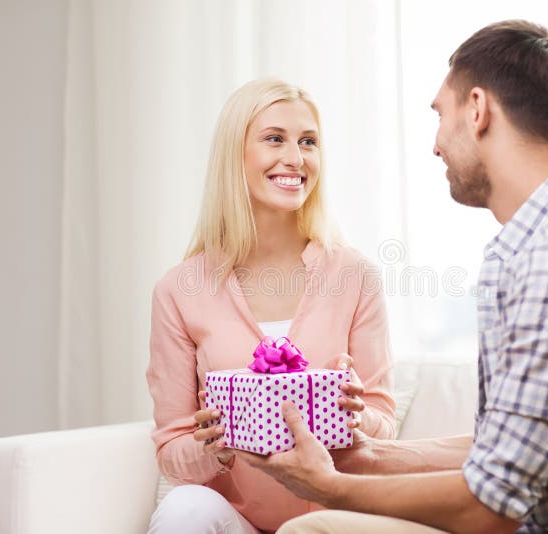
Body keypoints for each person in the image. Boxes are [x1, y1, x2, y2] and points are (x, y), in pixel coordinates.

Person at [238, 20, 548, 533]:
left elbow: (493, 505)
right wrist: (368, 456)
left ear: (476, 108)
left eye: (439, 115)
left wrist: (328, 487)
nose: (436, 145)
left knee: (313, 529)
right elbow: (505, 450)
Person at [145, 78, 397, 534]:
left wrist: (359, 417)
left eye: (308, 142)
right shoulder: (178, 290)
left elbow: (384, 423)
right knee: (186, 511)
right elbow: (171, 452)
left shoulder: (354, 274)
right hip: (237, 520)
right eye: (274, 139)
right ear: (233, 155)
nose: (295, 159)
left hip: (334, 516)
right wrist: (211, 448)